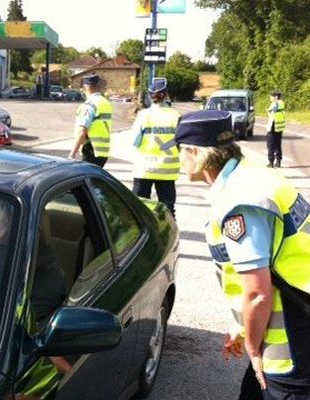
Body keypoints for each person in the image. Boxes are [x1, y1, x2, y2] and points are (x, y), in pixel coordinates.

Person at [173, 109, 310, 399]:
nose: (178, 159)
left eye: (179, 151)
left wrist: (251, 346)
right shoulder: (254, 175)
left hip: (292, 339)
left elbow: (257, 293)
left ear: (194, 152)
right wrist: (242, 325)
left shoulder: (240, 202)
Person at [130, 77, 181, 216]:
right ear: (166, 94)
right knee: (168, 210)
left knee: (138, 209)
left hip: (144, 169)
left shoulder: (143, 115)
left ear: (150, 96)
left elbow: (134, 141)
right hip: (167, 171)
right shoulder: (176, 116)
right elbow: (179, 142)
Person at [68, 74, 113, 168]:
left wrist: (73, 153)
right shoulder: (105, 103)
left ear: (85, 87)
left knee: (88, 181)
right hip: (103, 151)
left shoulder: (89, 105)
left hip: (91, 149)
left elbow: (82, 131)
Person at [266, 91, 286, 168]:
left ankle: (271, 162)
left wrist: (269, 110)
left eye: (271, 96)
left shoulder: (276, 103)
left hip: (273, 126)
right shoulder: (281, 103)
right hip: (279, 127)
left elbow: (274, 111)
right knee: (278, 144)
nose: (270, 97)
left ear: (276, 97)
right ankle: (278, 162)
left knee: (270, 144)